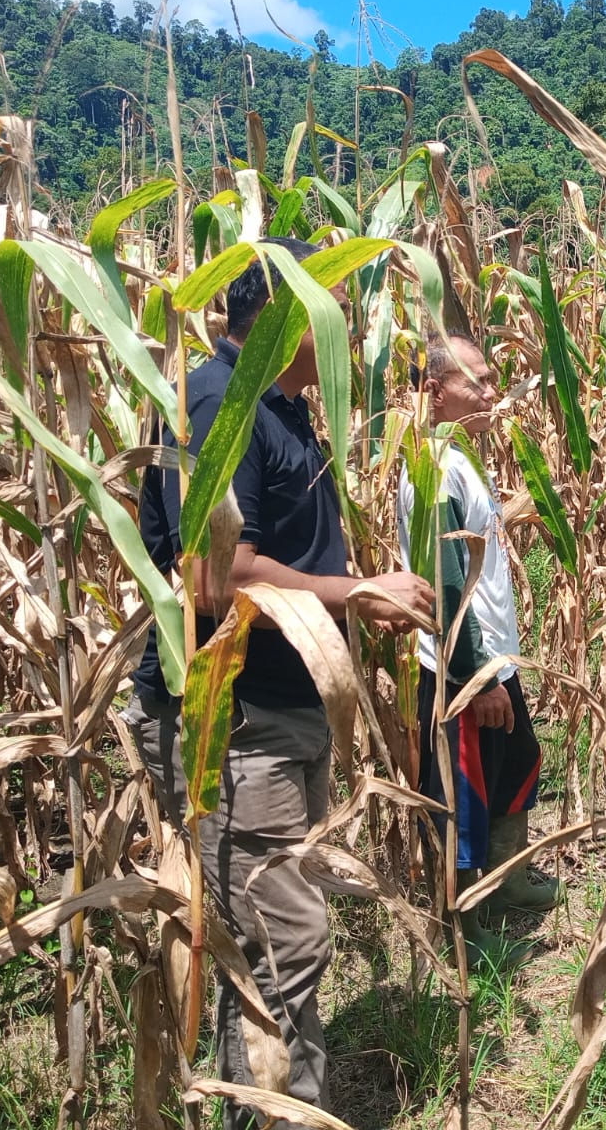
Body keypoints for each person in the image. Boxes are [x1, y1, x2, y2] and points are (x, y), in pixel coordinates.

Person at [125, 237, 434, 1130]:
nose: (350, 327)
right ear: (291, 315)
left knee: (273, 942)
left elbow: (282, 558)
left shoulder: (287, 409)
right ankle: (282, 1115)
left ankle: (266, 1108)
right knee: (286, 938)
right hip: (235, 717)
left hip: (286, 711)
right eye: (333, 308)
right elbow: (218, 576)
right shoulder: (219, 398)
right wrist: (354, 592)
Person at [397, 331, 563, 963]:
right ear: (436, 392)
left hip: (491, 655)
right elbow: (442, 584)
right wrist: (479, 677)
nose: (496, 393)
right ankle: (463, 929)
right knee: (460, 800)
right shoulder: (432, 468)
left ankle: (508, 879)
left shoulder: (455, 455)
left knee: (516, 763)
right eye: (481, 382)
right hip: (462, 668)